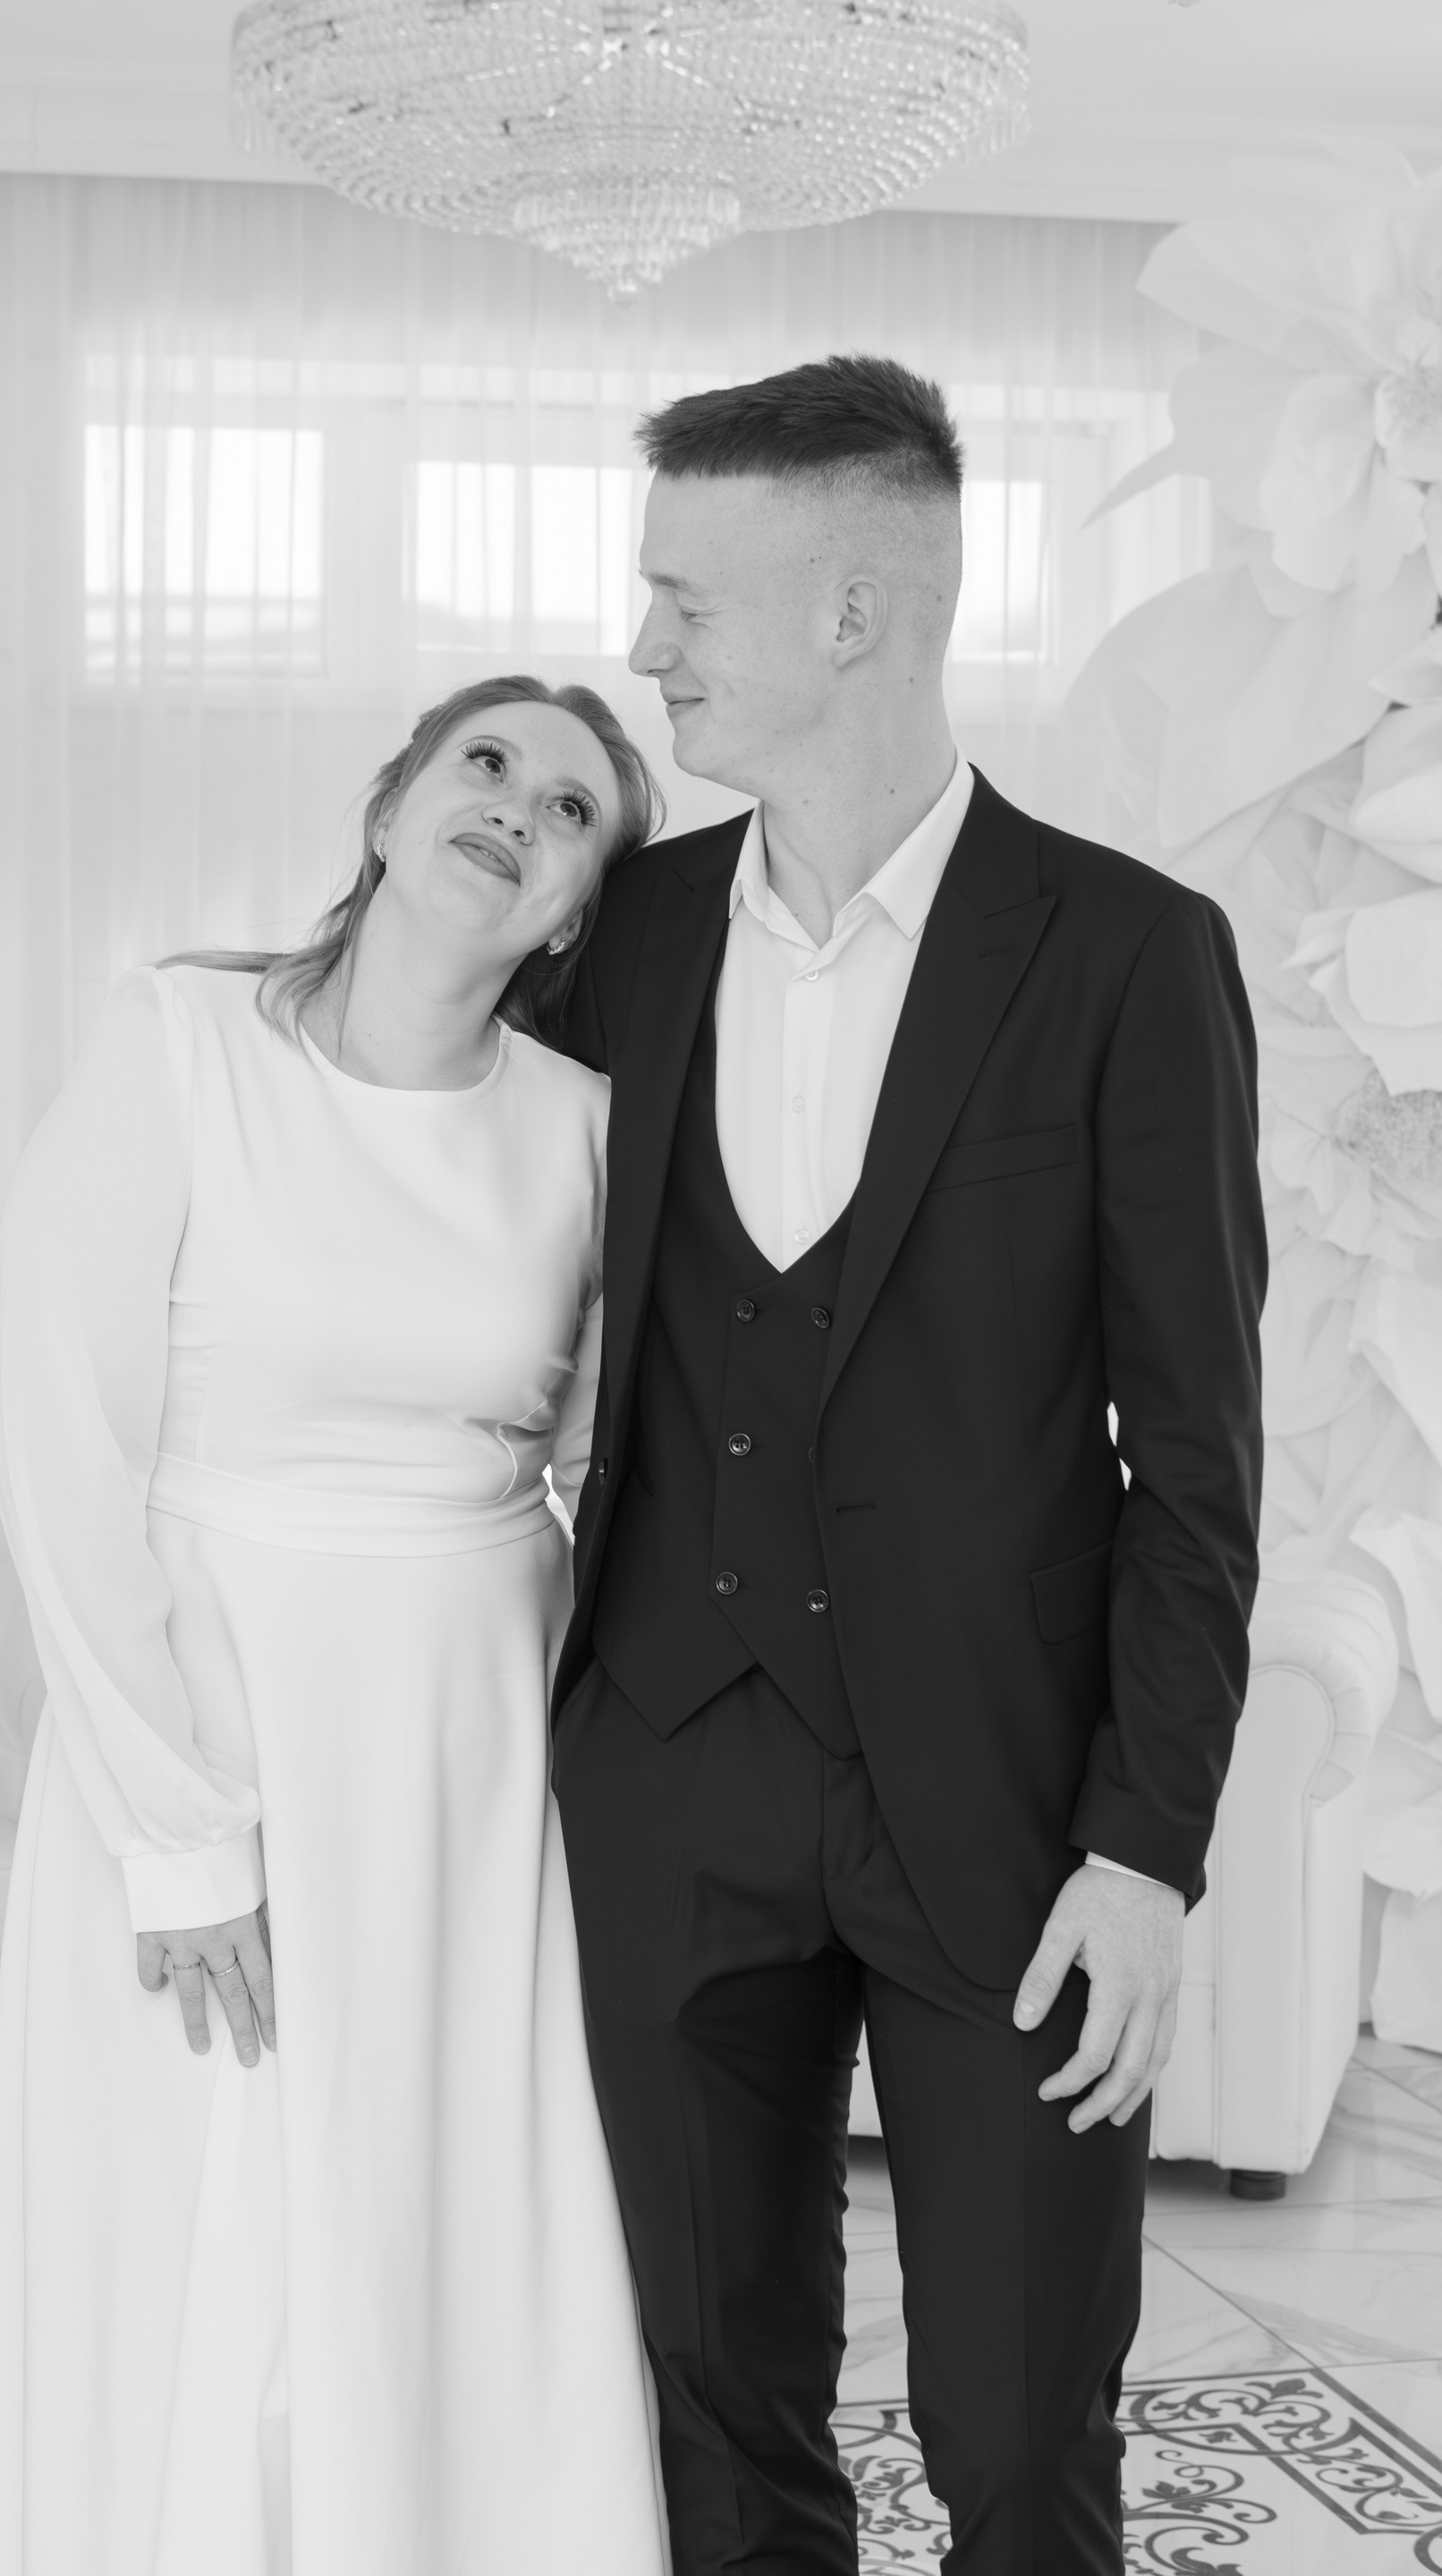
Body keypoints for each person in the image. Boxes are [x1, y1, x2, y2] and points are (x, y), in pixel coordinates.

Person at [549, 356, 1267, 2575]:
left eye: (686, 599)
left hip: (1013, 1823)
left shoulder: (1131, 955)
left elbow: (1202, 1464)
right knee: (709, 2412)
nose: (647, 646)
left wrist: (1146, 1853)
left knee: (1021, 2436)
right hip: (671, 1782)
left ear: (854, 612)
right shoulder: (623, 937)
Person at [0, 675, 672, 2576]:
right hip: (207, 1737)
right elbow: (61, 1438)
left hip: (468, 1771)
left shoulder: (591, 1134)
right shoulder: (180, 1043)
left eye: (574, 812)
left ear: (575, 916)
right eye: (487, 764)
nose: (518, 809)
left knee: (435, 2226)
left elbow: (616, 1472)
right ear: (388, 806)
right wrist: (182, 1835)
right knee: (207, 2241)